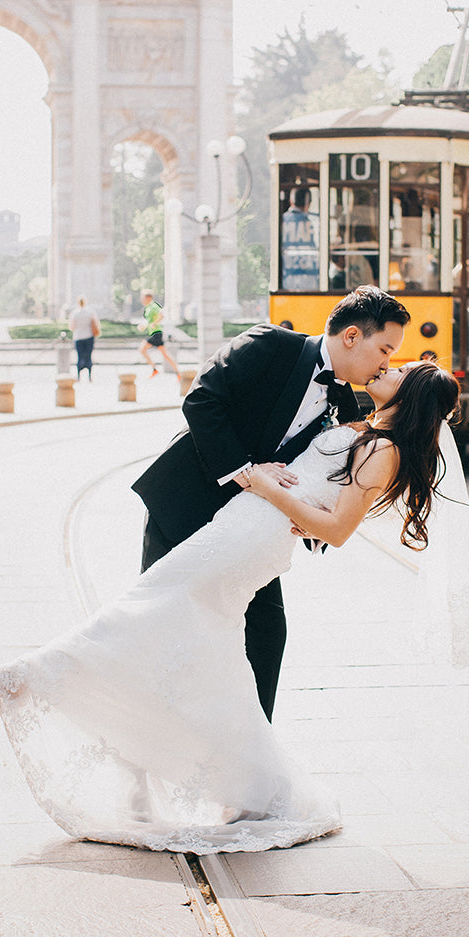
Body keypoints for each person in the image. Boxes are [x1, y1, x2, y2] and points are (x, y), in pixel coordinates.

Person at [0, 360, 469, 855]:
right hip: (245, 529)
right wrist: (286, 500)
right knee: (198, 644)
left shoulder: (384, 449)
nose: (387, 365)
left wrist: (262, 483)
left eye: (400, 368)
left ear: (411, 393)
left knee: (142, 610)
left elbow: (337, 531)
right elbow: (321, 503)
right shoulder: (369, 433)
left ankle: (13, 678)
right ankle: (256, 784)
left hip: (249, 535)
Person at [133, 285, 410, 720]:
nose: (386, 363)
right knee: (156, 620)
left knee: (265, 632)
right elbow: (201, 400)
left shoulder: (343, 401)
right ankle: (141, 732)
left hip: (249, 530)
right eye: (386, 349)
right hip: (184, 504)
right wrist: (247, 472)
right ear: (353, 336)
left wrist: (313, 521)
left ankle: (253, 749)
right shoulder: (270, 344)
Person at [138, 290, 178, 377]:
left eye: (143, 298)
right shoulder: (147, 308)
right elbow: (149, 322)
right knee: (165, 355)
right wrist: (144, 327)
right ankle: (178, 372)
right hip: (153, 333)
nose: (142, 300)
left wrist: (155, 323)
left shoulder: (153, 306)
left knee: (142, 349)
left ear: (149, 298)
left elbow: (161, 315)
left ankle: (154, 369)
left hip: (156, 333)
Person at [70, 296, 100, 381]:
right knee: (89, 356)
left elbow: (72, 326)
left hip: (78, 337)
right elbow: (96, 323)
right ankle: (89, 376)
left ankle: (78, 376)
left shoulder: (75, 313)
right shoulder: (90, 312)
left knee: (79, 356)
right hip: (89, 336)